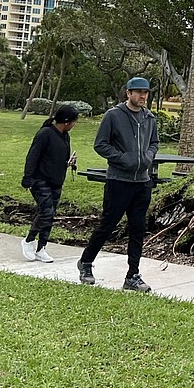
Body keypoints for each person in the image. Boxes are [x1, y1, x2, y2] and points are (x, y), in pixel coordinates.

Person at [77, 77, 159, 292]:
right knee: (108, 224)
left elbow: (154, 143)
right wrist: (123, 159)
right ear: (128, 94)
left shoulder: (149, 118)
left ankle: (133, 275)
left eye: (146, 93)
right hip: (118, 181)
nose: (142, 96)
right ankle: (86, 263)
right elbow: (100, 144)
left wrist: (148, 157)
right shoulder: (113, 116)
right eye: (138, 92)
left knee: (138, 229)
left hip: (142, 183)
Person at [21, 104, 80, 262]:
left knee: (50, 215)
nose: (74, 125)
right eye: (74, 122)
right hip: (40, 180)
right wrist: (28, 179)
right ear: (67, 122)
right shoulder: (45, 134)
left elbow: (58, 157)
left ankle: (41, 248)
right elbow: (32, 156)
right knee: (46, 212)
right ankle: (28, 241)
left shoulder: (65, 136)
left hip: (56, 181)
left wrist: (70, 163)